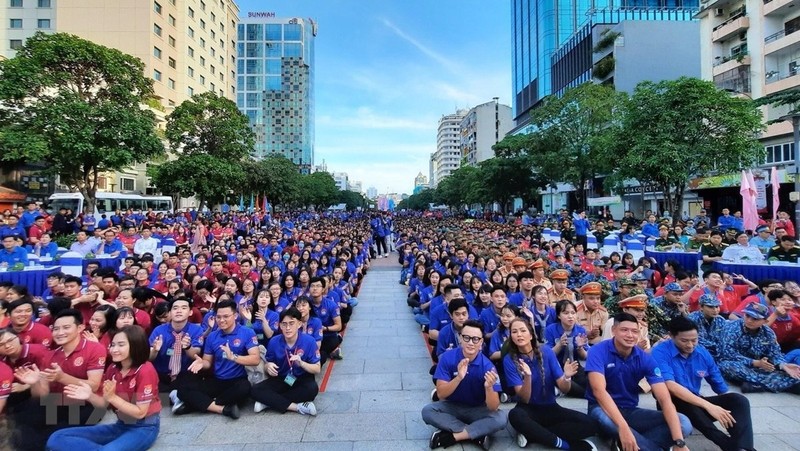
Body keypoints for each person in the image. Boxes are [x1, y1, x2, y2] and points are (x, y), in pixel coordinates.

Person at [41, 325, 161, 451]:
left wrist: (113, 397)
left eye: (121, 345)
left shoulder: (145, 370)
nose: (114, 349)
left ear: (136, 345)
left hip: (144, 426)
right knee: (57, 437)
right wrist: (90, 396)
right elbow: (104, 404)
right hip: (121, 425)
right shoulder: (113, 369)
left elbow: (140, 412)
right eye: (113, 345)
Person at [586, 312, 692, 451]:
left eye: (634, 331)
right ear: (613, 331)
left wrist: (680, 443)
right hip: (601, 409)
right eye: (624, 330)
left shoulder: (644, 358)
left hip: (630, 410)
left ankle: (624, 444)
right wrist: (623, 428)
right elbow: (599, 391)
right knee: (613, 424)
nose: (630, 335)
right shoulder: (598, 351)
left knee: (684, 423)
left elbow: (664, 399)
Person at [652, 317, 754, 451]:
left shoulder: (702, 353)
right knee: (682, 399)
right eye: (684, 340)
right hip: (672, 405)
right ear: (671, 336)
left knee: (738, 400)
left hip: (697, 403)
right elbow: (670, 385)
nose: (690, 345)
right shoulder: (660, 352)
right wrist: (709, 406)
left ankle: (744, 447)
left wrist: (723, 408)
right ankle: (727, 445)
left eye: (694, 340)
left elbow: (720, 387)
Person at [11, 309, 106, 451]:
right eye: (56, 329)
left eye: (66, 327)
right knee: (19, 424)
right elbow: (41, 395)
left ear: (80, 328)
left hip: (88, 404)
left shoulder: (95, 348)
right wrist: (35, 382)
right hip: (56, 400)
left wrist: (62, 377)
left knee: (53, 436)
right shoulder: (50, 355)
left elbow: (93, 385)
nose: (60, 332)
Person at [504, 318, 598, 450]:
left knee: (591, 424)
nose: (519, 334)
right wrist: (528, 377)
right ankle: (565, 445)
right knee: (514, 416)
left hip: (550, 407)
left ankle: (533, 433)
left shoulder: (546, 352)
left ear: (531, 335)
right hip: (528, 409)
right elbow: (524, 398)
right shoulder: (509, 359)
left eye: (522, 330)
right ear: (511, 337)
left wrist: (566, 377)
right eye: (514, 332)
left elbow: (563, 387)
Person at [422, 319, 507, 450]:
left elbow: (493, 407)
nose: (471, 343)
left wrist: (489, 388)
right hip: (452, 406)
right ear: (460, 338)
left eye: (475, 339)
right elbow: (441, 394)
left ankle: (455, 436)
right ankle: (477, 433)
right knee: (427, 411)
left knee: (501, 418)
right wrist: (458, 378)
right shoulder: (447, 358)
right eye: (466, 338)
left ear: (481, 342)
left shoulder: (488, 367)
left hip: (478, 408)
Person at [175, 299, 261, 419]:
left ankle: (197, 404)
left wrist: (234, 357)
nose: (221, 320)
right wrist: (201, 363)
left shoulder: (247, 332)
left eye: (226, 316)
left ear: (235, 316)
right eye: (218, 317)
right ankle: (223, 408)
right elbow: (207, 362)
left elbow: (255, 359)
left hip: (237, 380)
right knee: (182, 390)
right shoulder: (212, 336)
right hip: (218, 380)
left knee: (245, 389)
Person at [250, 307, 321, 416]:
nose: (288, 328)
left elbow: (317, 368)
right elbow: (267, 364)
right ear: (280, 325)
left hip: (301, 378)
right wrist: (268, 366)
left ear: (299, 324)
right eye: (284, 324)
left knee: (312, 389)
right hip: (283, 378)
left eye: (292, 323)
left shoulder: (309, 341)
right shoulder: (274, 341)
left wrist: (302, 363)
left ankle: (269, 402)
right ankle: (297, 407)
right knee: (255, 390)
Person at [717, 302, 800, 393]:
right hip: (736, 364)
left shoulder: (768, 333)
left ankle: (754, 384)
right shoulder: (731, 327)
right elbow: (727, 354)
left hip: (759, 368)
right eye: (747, 316)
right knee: (728, 366)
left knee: (790, 373)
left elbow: (775, 353)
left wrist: (783, 365)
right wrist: (755, 363)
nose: (749, 320)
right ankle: (776, 384)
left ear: (765, 321)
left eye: (755, 319)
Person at [148, 297, 204, 393]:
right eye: (175, 308)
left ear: (190, 312)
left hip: (185, 374)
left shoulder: (197, 330)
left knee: (188, 391)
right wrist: (155, 351)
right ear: (169, 312)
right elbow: (149, 358)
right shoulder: (158, 330)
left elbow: (196, 354)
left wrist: (188, 347)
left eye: (183, 308)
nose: (178, 311)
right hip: (162, 375)